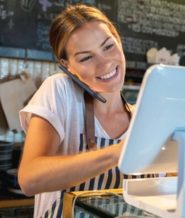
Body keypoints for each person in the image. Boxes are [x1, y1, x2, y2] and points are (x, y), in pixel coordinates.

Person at [18, 4, 133, 218]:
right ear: (67, 66)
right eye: (86, 58)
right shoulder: (60, 91)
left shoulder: (143, 116)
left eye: (108, 46)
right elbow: (29, 179)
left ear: (118, 39)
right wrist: (119, 152)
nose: (105, 63)